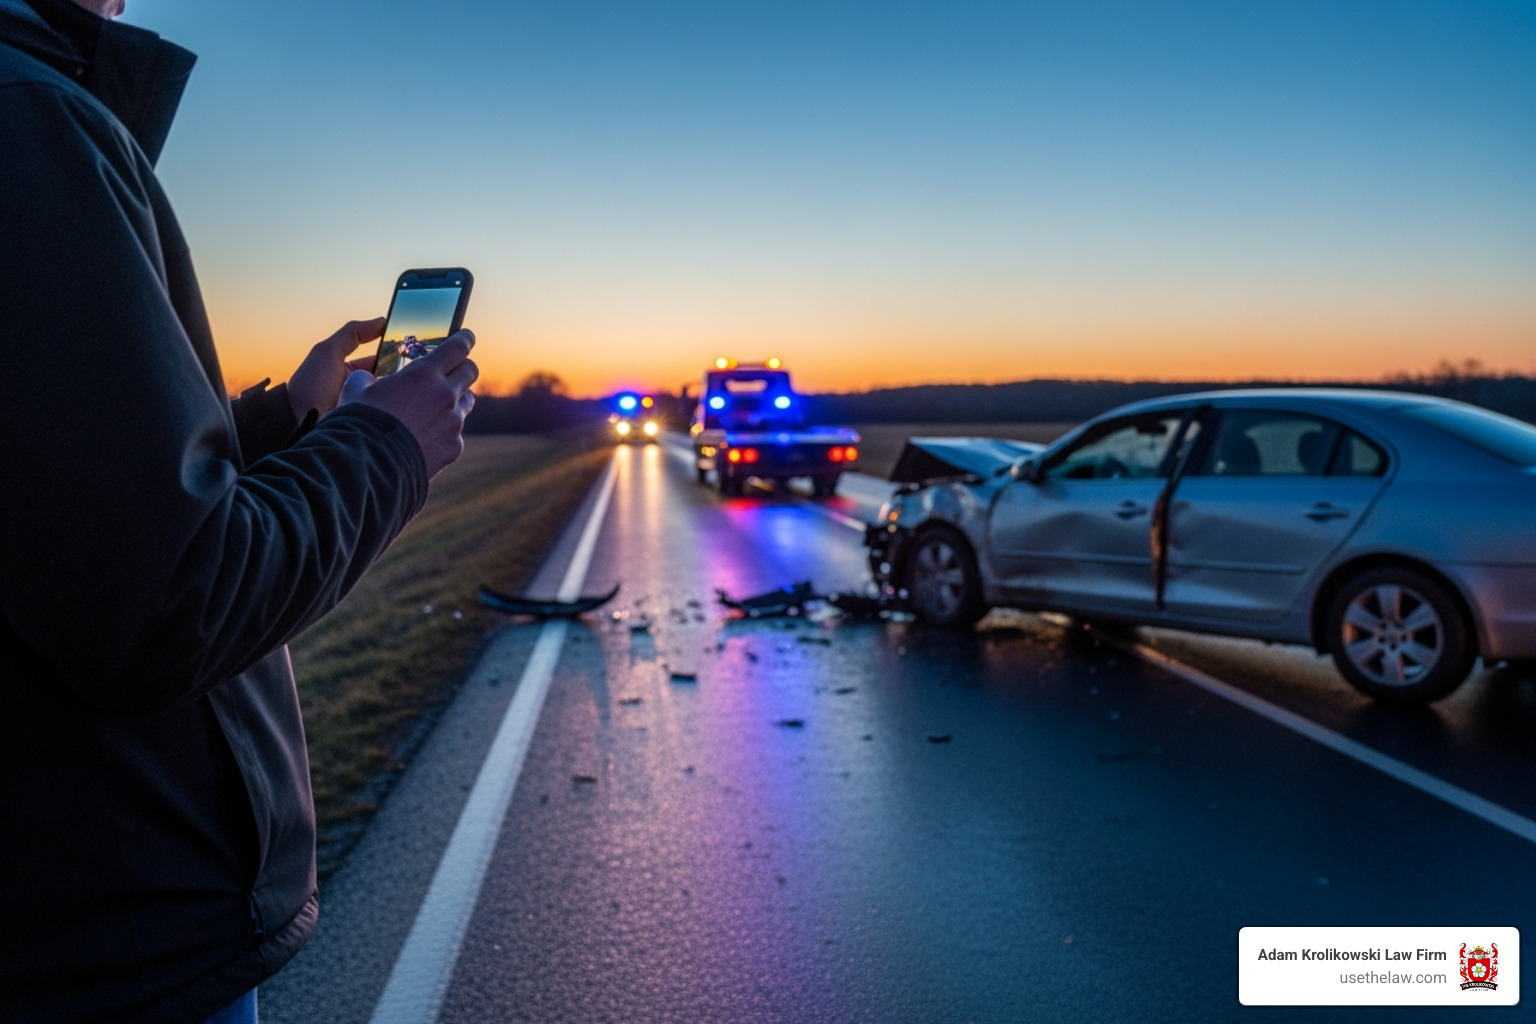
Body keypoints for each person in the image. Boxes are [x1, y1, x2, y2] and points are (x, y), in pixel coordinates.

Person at [0, 0, 478, 1021]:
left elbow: (64, 487)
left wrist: (277, 419)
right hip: (111, 942)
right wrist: (388, 446)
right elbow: (170, 600)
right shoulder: (31, 117)